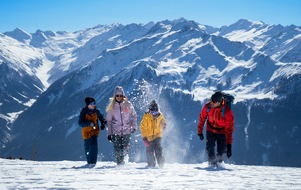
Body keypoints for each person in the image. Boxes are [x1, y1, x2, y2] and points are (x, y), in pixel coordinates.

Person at [197, 91, 234, 166]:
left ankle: (220, 167)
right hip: (210, 130)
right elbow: (202, 119)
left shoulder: (227, 112)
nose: (211, 103)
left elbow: (229, 130)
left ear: (219, 102)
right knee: (210, 149)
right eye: (211, 100)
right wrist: (200, 132)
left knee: (221, 152)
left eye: (213, 101)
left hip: (222, 132)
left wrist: (229, 146)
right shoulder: (207, 107)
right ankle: (211, 165)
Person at [106, 86, 137, 165]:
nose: (119, 97)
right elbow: (109, 121)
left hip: (126, 131)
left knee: (124, 150)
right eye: (117, 95)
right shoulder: (112, 107)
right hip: (116, 132)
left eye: (121, 95)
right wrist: (109, 134)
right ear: (114, 96)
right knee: (118, 150)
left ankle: (124, 161)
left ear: (123, 95)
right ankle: (120, 166)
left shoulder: (128, 104)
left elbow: (134, 115)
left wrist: (133, 126)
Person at [78, 97, 106, 165]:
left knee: (93, 145)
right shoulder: (83, 112)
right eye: (92, 103)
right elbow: (80, 123)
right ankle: (89, 162)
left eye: (95, 103)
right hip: (86, 132)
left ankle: (93, 162)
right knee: (87, 148)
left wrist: (103, 123)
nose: (94, 105)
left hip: (94, 131)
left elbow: (101, 117)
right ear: (88, 104)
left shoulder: (96, 111)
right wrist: (89, 123)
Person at [140, 100, 166, 168]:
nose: (154, 114)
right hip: (148, 136)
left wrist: (164, 124)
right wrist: (144, 138)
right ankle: (151, 165)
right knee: (149, 150)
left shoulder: (160, 115)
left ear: (158, 110)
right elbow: (142, 128)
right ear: (149, 111)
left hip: (158, 134)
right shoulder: (146, 117)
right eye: (152, 112)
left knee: (158, 148)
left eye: (155, 112)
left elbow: (163, 120)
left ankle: (161, 164)